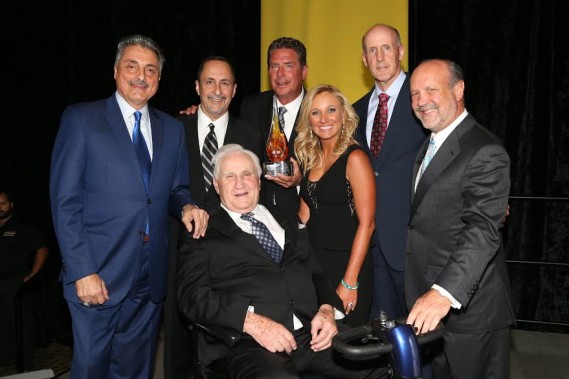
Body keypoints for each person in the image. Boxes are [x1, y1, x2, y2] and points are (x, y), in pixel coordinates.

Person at [49, 34, 208, 379]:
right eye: (132, 66)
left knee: (136, 369)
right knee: (91, 369)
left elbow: (176, 188)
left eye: (151, 69)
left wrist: (186, 207)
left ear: (159, 79)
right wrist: (81, 271)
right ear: (116, 70)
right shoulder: (81, 119)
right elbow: (65, 203)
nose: (141, 75)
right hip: (97, 273)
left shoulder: (172, 129)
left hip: (149, 277)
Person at [177, 144, 386, 379]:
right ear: (216, 185)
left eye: (247, 174)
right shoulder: (203, 232)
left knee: (381, 361)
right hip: (248, 342)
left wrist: (328, 310)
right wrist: (250, 322)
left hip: (310, 334)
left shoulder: (287, 219)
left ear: (258, 179)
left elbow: (316, 272)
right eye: (230, 176)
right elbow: (191, 298)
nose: (240, 183)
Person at [405, 59, 514, 379]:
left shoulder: (484, 150)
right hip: (433, 308)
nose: (420, 100)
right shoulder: (430, 144)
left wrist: (443, 293)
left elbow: (482, 229)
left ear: (458, 89)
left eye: (430, 90)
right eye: (414, 94)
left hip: (470, 310)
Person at [163, 55, 263, 379]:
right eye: (210, 82)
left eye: (224, 83)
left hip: (229, 255)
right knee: (177, 344)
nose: (217, 90)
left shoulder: (250, 135)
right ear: (197, 87)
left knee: (224, 343)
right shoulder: (172, 128)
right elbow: (159, 185)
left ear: (234, 90)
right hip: (177, 249)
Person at [180, 37, 307, 226]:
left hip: (299, 224)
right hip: (197, 233)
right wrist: (195, 115)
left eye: (288, 65)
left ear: (304, 71)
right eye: (274, 66)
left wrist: (299, 181)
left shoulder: (320, 112)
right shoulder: (251, 107)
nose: (280, 74)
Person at [352, 23, 428, 321]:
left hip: (414, 246)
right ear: (364, 59)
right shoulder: (355, 111)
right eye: (372, 50)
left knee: (423, 339)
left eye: (386, 48)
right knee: (382, 338)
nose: (380, 57)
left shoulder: (424, 100)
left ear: (400, 52)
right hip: (371, 247)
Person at [295, 85, 376, 327]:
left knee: (347, 343)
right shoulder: (310, 157)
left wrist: (350, 281)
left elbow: (367, 224)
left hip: (347, 266)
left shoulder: (355, 158)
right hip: (316, 267)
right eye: (316, 112)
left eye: (331, 110)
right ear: (308, 119)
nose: (324, 119)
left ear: (344, 115)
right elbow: (304, 217)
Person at [0, 190, 49, 368]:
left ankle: (25, 363)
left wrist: (32, 276)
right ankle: (5, 359)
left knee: (21, 324)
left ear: (11, 205)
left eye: (3, 203)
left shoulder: (23, 226)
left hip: (16, 284)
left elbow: (42, 250)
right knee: (3, 323)